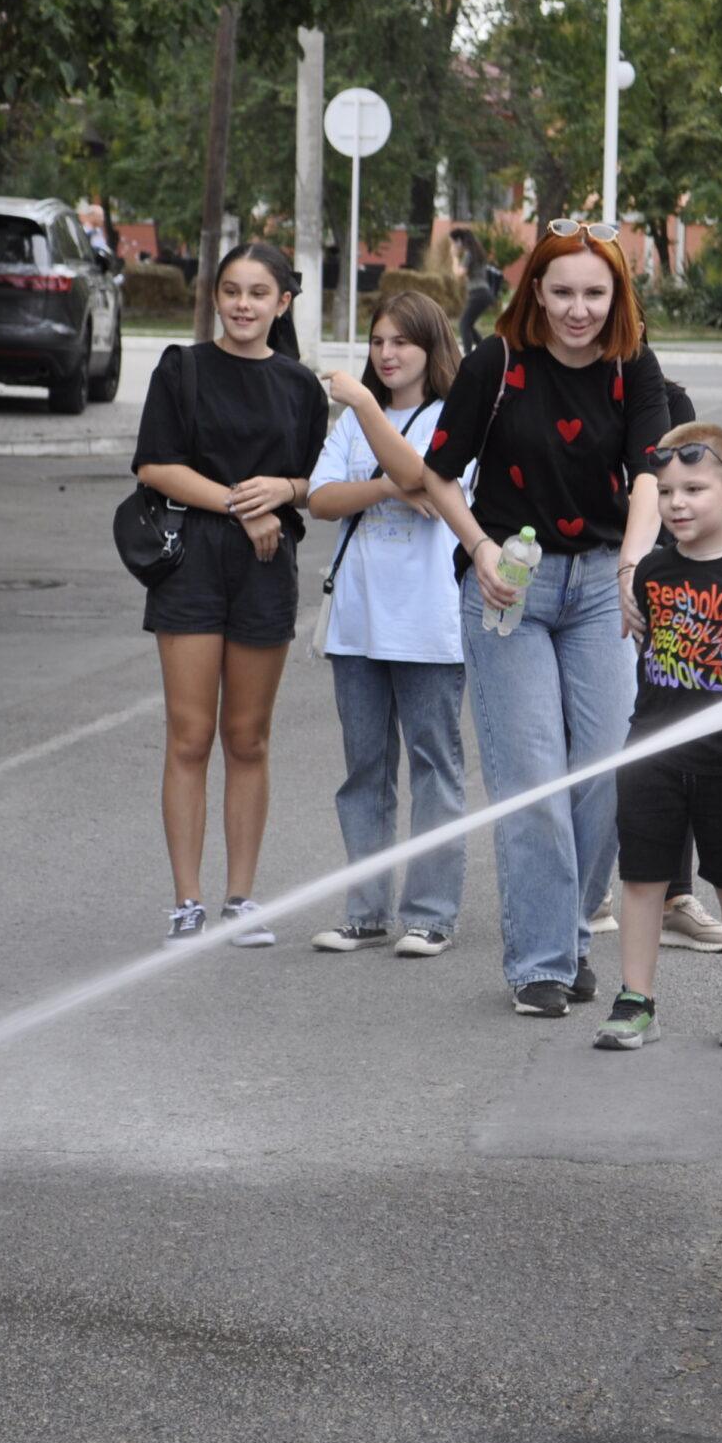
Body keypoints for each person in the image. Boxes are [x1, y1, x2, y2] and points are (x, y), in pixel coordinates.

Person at [420, 220, 671, 1017]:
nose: (578, 309)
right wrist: (481, 550)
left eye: (595, 293)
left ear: (617, 296)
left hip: (601, 585)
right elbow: (438, 475)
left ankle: (566, 931)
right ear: (535, 292)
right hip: (509, 591)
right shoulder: (496, 364)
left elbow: (650, 480)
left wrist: (633, 568)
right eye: (561, 291)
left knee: (601, 775)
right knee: (533, 780)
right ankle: (539, 963)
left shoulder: (633, 367)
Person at [132, 241, 328, 947]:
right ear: (215, 298)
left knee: (248, 738)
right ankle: (187, 900)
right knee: (191, 736)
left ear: (283, 303)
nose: (243, 304)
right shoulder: (182, 369)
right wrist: (244, 506)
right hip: (192, 561)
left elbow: (320, 482)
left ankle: (240, 899)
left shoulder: (301, 386)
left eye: (258, 292)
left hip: (267, 567)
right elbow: (155, 465)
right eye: (231, 291)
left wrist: (287, 491)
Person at [592, 421, 722, 1053]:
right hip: (649, 750)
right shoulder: (649, 572)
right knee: (643, 879)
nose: (678, 504)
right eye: (668, 491)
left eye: (695, 489)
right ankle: (634, 997)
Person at [305, 292, 466, 957]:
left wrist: (372, 421)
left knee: (436, 767)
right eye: (377, 342)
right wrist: (384, 489)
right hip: (357, 622)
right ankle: (366, 912)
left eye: (401, 341)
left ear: (432, 348)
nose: (387, 353)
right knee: (363, 770)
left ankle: (430, 914)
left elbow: (427, 477)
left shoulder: (449, 419)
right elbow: (320, 499)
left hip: (430, 621)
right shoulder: (349, 426)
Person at [451, 228, 503, 353]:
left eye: (453, 242)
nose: (452, 245)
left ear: (459, 241)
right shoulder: (477, 252)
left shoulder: (469, 254)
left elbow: (459, 274)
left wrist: (454, 257)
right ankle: (484, 352)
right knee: (468, 324)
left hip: (478, 293)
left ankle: (468, 356)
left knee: (463, 324)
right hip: (484, 293)